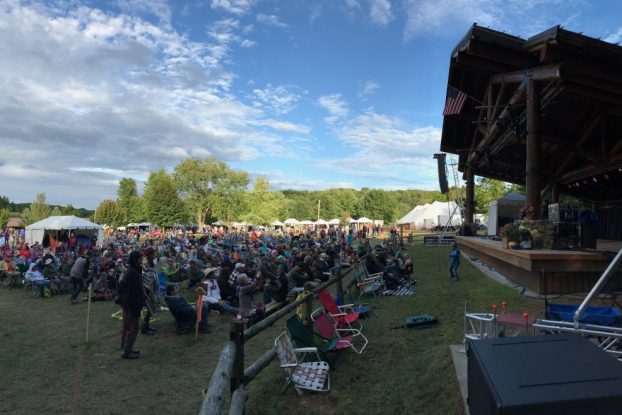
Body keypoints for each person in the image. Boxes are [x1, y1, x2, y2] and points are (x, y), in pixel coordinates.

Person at [118, 251, 145, 359]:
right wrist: (136, 305)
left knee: (127, 327)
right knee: (133, 328)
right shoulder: (132, 273)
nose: (141, 259)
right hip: (131, 305)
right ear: (135, 259)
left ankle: (127, 348)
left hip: (128, 304)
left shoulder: (131, 271)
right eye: (140, 258)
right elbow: (133, 291)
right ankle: (127, 352)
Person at [141, 247, 160, 335]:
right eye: (153, 253)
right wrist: (146, 288)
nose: (154, 255)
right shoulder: (145, 264)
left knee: (151, 308)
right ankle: (144, 328)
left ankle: (146, 326)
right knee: (149, 308)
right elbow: (144, 276)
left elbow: (153, 274)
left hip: (152, 288)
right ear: (150, 255)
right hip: (147, 289)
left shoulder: (152, 263)